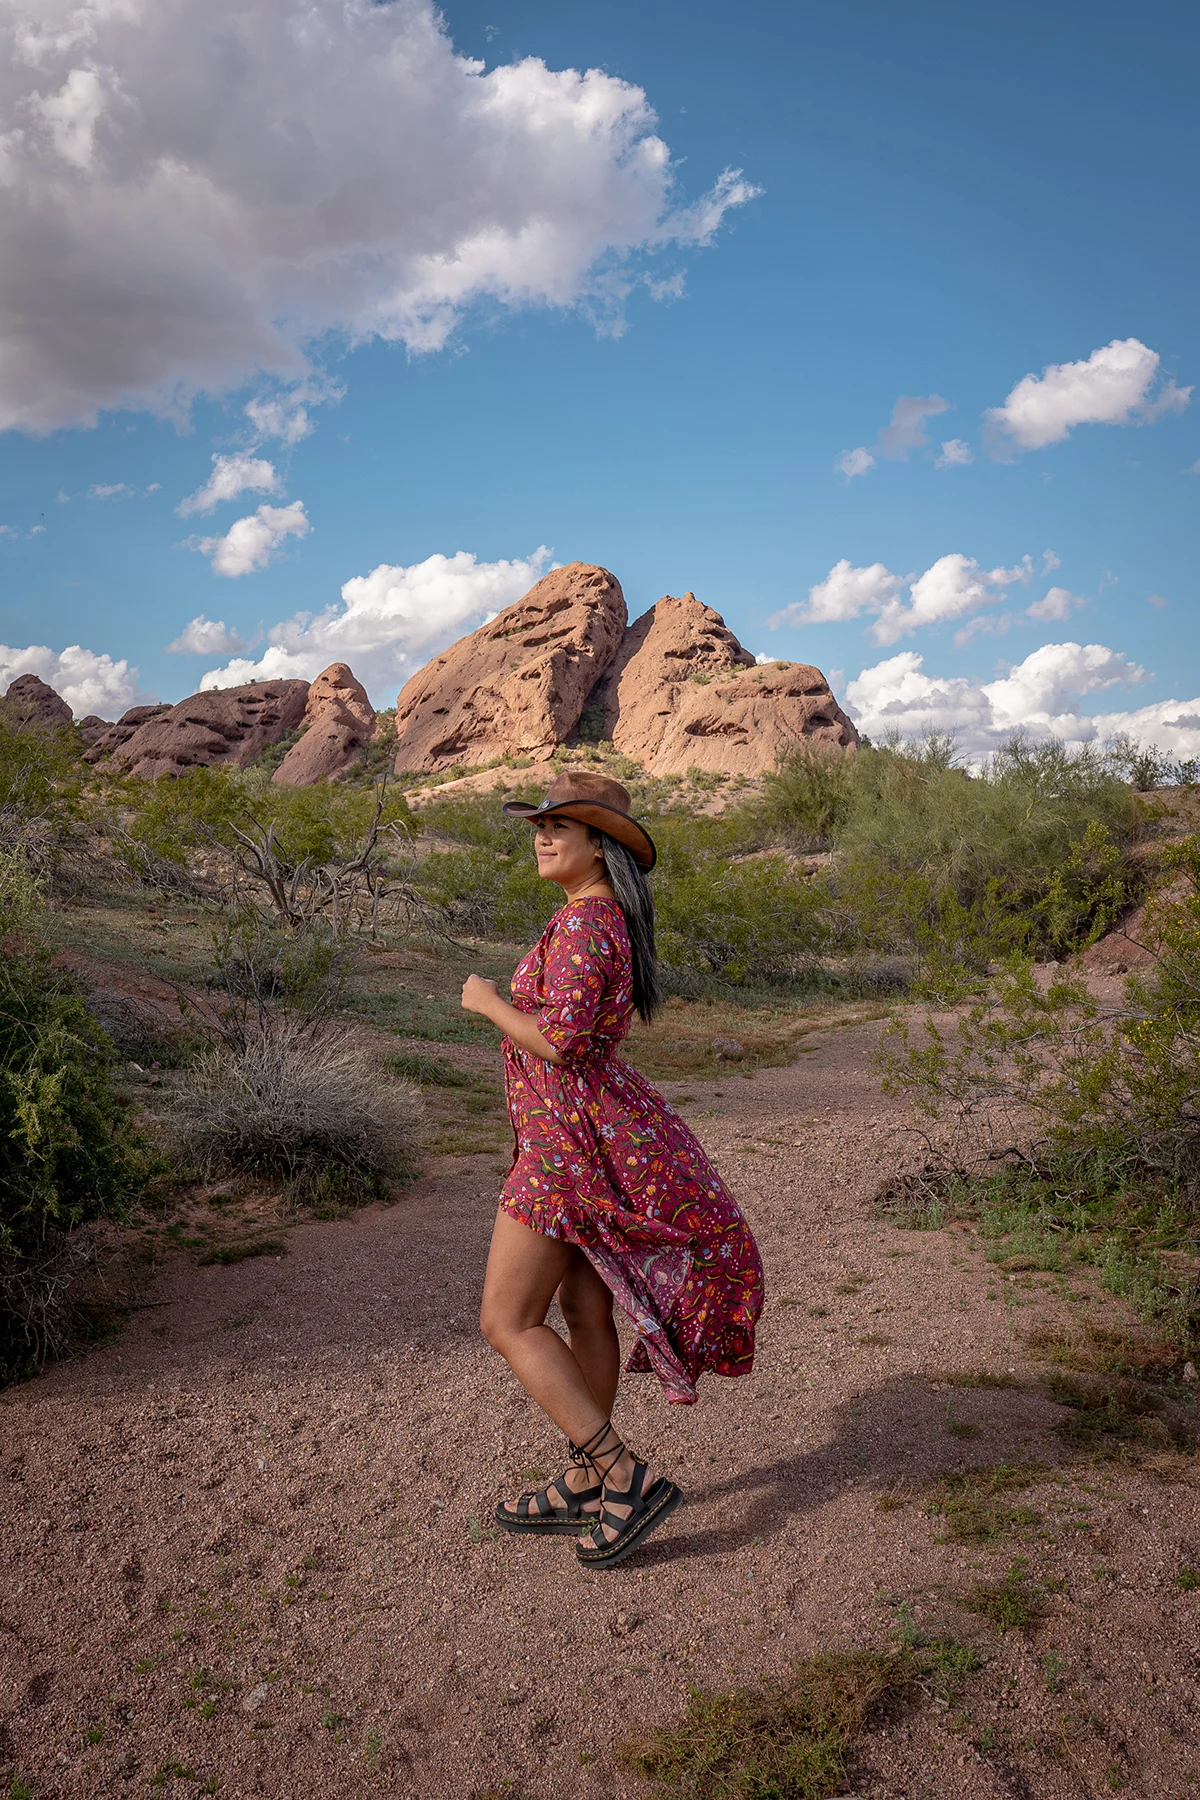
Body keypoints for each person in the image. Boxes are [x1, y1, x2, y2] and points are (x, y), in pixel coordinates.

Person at [461, 770, 764, 1569]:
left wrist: (488, 1002)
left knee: (506, 1319)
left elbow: (561, 1042)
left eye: (561, 825)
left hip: (566, 1152)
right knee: (584, 1315)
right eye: (539, 824)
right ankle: (582, 1483)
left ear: (603, 844)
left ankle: (620, 1474)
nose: (543, 836)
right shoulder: (590, 921)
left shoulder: (590, 925)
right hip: (572, 1138)